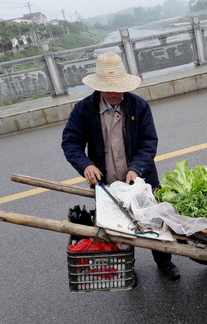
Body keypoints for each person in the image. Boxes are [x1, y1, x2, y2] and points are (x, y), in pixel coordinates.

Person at [61, 52, 180, 281]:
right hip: (106, 182)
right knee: (118, 228)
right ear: (99, 87)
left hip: (139, 178)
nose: (116, 93)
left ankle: (164, 262)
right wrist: (85, 165)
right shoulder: (84, 110)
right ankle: (127, 266)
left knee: (153, 222)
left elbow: (148, 143)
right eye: (109, 88)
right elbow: (71, 143)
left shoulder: (138, 107)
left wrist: (136, 169)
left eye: (119, 88)